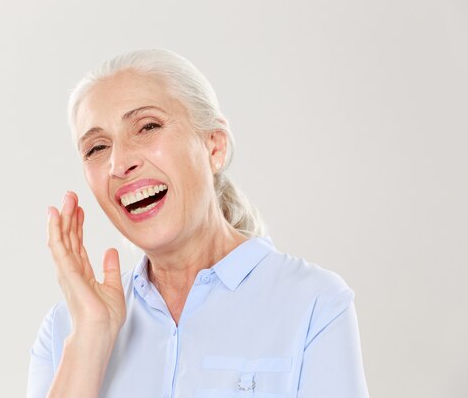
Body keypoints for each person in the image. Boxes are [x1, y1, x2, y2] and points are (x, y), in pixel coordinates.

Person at [27, 49, 369, 398]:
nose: (119, 162)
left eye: (147, 127)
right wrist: (91, 337)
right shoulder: (65, 330)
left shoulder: (314, 304)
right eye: (97, 148)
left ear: (214, 147)